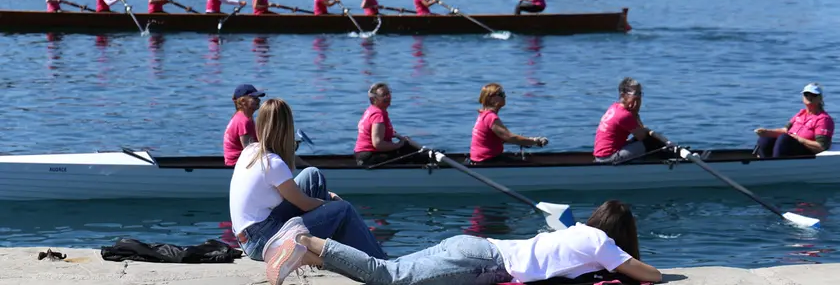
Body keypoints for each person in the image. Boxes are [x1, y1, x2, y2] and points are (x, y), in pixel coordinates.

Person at [264, 200, 662, 285]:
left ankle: (309, 253)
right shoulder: (599, 242)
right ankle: (306, 238)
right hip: (485, 263)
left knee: (392, 269)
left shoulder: (576, 232)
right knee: (388, 276)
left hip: (476, 246)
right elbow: (649, 274)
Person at [229, 98, 386, 263]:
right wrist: (331, 202)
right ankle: (380, 262)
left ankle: (338, 248)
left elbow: (291, 193)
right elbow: (305, 204)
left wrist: (326, 199)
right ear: (286, 128)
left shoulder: (250, 150)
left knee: (313, 175)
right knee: (343, 209)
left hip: (249, 234)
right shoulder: (273, 163)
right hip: (262, 242)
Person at [469, 83, 548, 164]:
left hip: (478, 160)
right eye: (501, 94)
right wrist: (535, 141)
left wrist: (526, 141)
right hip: (486, 161)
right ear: (490, 98)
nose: (505, 96)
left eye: (504, 94)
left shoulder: (483, 115)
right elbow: (510, 137)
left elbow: (502, 138)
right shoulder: (490, 117)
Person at [755, 83, 834, 158]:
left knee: (784, 139)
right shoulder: (800, 114)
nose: (810, 97)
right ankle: (764, 163)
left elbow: (821, 146)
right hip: (788, 146)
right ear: (803, 97)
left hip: (807, 152)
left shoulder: (823, 119)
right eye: (806, 94)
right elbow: (785, 130)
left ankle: (776, 165)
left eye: (814, 95)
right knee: (765, 139)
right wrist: (767, 132)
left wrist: (799, 139)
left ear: (820, 98)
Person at [593, 78, 657, 164]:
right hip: (608, 158)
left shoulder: (614, 107)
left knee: (637, 141)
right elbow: (642, 137)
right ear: (623, 95)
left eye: (640, 93)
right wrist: (635, 113)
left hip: (600, 156)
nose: (639, 97)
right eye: (636, 94)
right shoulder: (625, 115)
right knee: (649, 142)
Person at [354, 82, 416, 166]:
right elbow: (378, 144)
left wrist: (393, 134)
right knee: (409, 153)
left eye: (388, 93)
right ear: (373, 99)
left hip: (362, 154)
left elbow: (375, 131)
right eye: (384, 95)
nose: (388, 97)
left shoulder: (371, 110)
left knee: (407, 148)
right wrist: (398, 145)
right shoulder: (377, 115)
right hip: (369, 157)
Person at [224, 84, 265, 166]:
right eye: (254, 98)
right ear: (243, 101)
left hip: (237, 161)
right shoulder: (244, 121)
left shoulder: (242, 117)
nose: (259, 100)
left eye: (258, 98)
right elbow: (249, 150)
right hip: (236, 163)